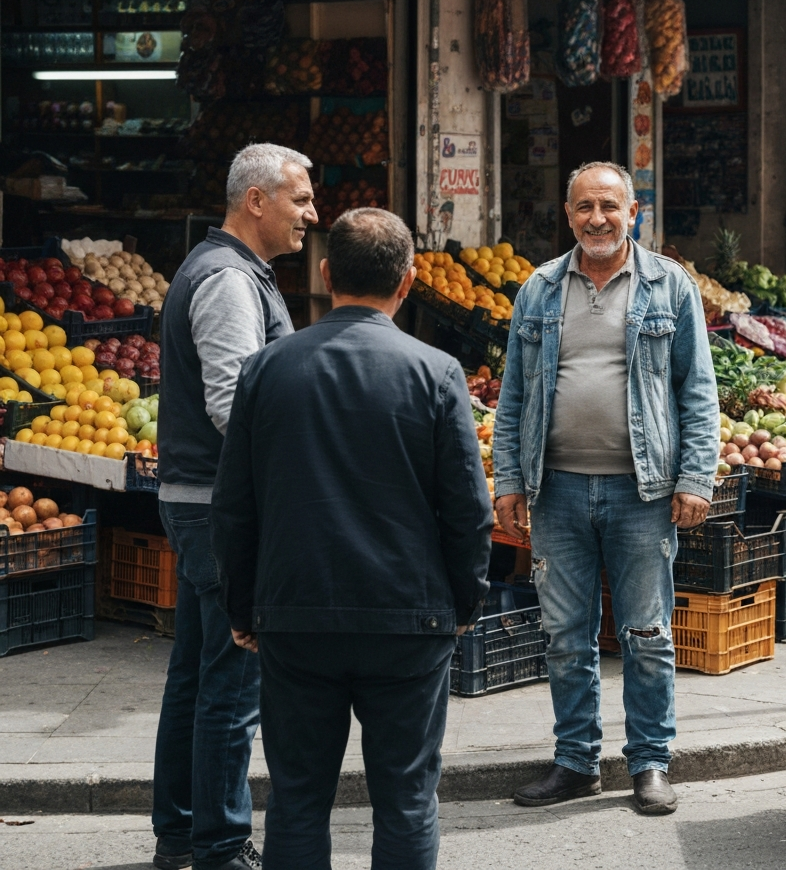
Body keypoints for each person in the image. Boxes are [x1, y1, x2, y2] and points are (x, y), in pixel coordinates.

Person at [211, 208, 492, 870]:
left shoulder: (266, 370)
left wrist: (242, 605)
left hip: (296, 612)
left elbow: (234, 507)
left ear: (327, 272)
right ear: (408, 281)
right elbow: (467, 512)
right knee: (406, 798)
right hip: (409, 617)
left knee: (298, 797)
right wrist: (465, 604)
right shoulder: (436, 371)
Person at [492, 161, 719, 816]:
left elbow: (696, 391)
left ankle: (649, 763)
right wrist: (509, 479)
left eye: (610, 207)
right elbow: (513, 396)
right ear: (569, 215)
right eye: (585, 207)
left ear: (633, 213)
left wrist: (695, 477)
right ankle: (576, 762)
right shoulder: (537, 290)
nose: (598, 219)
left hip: (642, 493)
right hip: (556, 490)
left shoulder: (668, 286)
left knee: (647, 633)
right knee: (566, 634)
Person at [154, 143, 316, 870]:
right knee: (231, 682)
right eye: (300, 199)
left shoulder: (235, 271)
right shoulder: (225, 279)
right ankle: (220, 845)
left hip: (200, 502)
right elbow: (233, 405)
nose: (312, 213)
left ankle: (181, 835)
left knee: (194, 674)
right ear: (257, 201)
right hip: (220, 509)